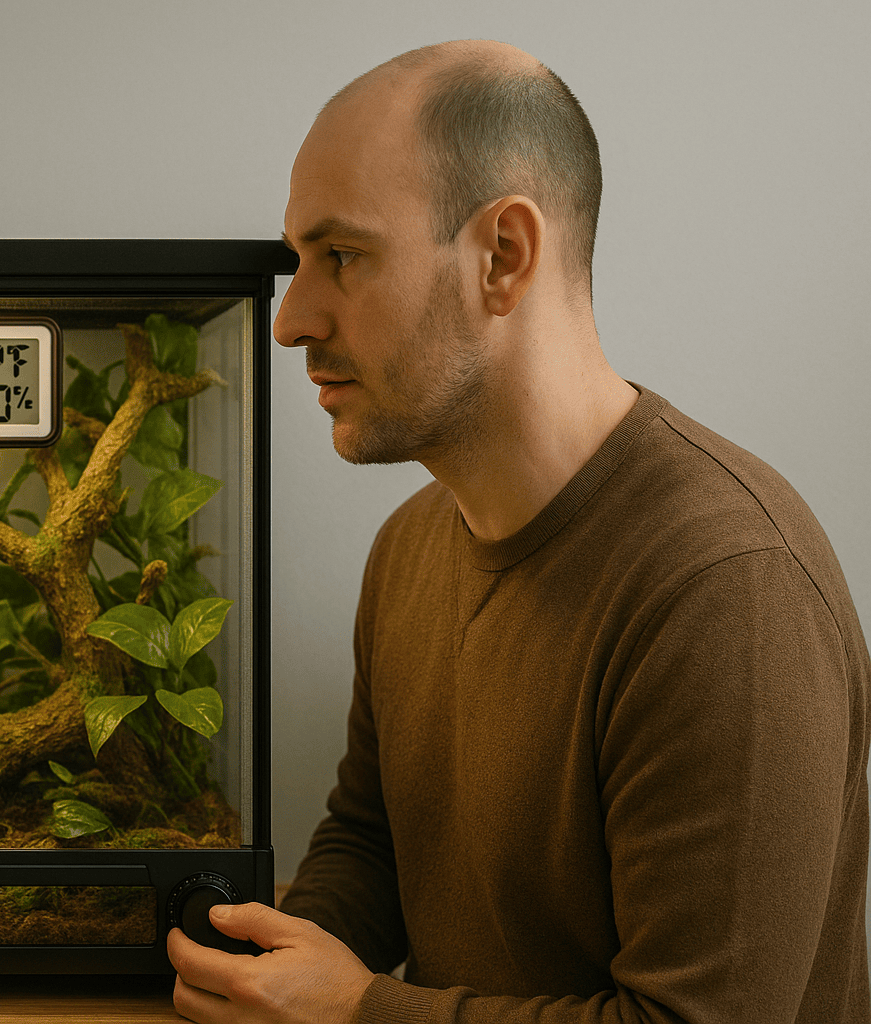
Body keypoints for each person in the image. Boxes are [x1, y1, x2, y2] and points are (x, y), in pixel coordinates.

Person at [167, 39, 870, 1023]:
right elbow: (374, 843)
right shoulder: (410, 549)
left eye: (343, 258)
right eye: (298, 264)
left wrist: (359, 1011)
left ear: (504, 257)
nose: (291, 320)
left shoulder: (728, 587)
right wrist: (251, 959)